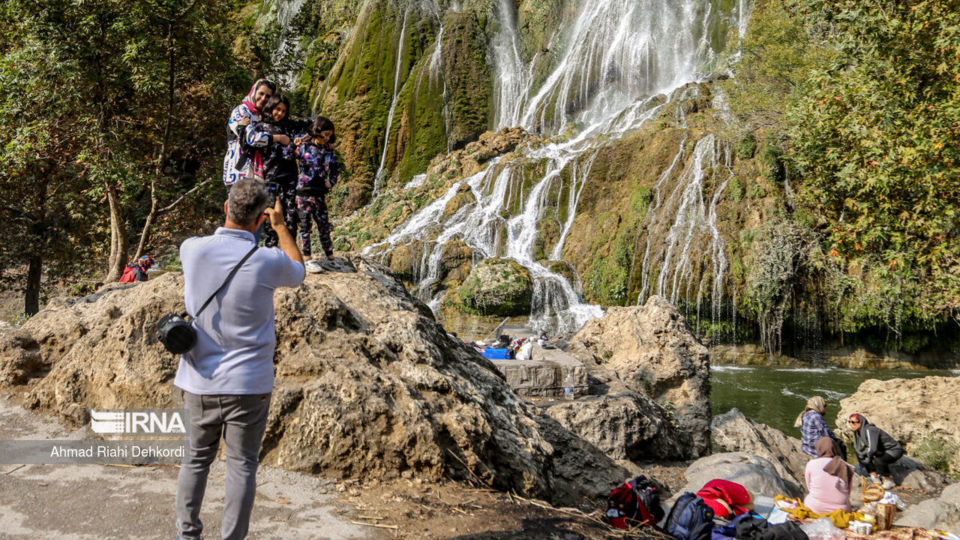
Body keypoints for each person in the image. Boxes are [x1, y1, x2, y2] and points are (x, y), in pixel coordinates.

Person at [173, 178, 304, 540]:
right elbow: (299, 269)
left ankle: (187, 535)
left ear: (226, 208)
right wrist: (281, 228)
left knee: (196, 459)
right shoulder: (268, 261)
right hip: (249, 385)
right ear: (262, 217)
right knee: (242, 465)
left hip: (199, 380)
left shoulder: (192, 250)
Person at [249, 94, 311, 249]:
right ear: (271, 107)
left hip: (290, 177)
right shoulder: (260, 127)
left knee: (291, 218)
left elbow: (313, 124)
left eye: (284, 111)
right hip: (270, 178)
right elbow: (251, 142)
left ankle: (288, 256)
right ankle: (271, 254)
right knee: (271, 219)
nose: (280, 114)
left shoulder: (288, 125)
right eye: (277, 109)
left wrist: (304, 138)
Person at [294, 116, 339, 273]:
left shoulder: (329, 151)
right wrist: (295, 142)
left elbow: (335, 169)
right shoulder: (304, 147)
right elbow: (287, 156)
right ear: (316, 131)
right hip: (303, 192)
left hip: (320, 192)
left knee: (324, 226)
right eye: (324, 134)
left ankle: (330, 257)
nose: (326, 138)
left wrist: (331, 182)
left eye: (329, 135)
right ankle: (307, 259)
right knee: (305, 225)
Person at [221, 78, 278, 187]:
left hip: (255, 176)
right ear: (254, 91)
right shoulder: (241, 110)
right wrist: (277, 138)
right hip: (237, 174)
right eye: (261, 93)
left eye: (268, 96)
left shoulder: (262, 116)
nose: (263, 98)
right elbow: (251, 138)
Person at [849, 413, 903, 489]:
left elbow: (872, 449)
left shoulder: (870, 430)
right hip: (881, 450)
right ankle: (875, 478)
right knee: (863, 456)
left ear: (861, 422)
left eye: (854, 422)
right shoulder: (859, 432)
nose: (851, 424)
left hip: (893, 450)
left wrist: (869, 453)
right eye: (850, 422)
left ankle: (889, 480)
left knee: (878, 459)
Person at [804, 436, 852, 514]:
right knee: (848, 503)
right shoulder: (844, 466)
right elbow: (848, 491)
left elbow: (809, 486)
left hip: (815, 508)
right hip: (840, 510)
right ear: (834, 448)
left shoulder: (811, 464)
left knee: (808, 497)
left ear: (818, 449)